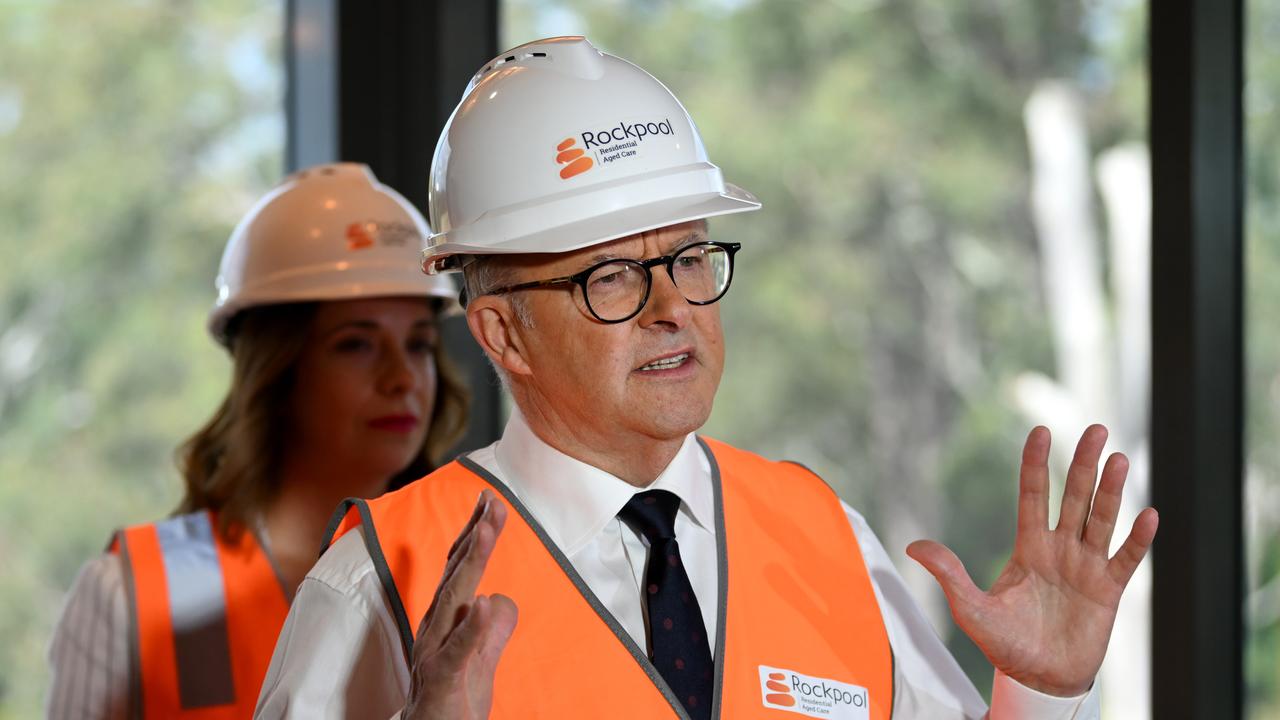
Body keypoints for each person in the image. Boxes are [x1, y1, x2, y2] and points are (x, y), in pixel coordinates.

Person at [254, 38, 1158, 719]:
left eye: (688, 257)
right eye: (609, 276)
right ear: (503, 333)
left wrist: (1039, 692)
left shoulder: (824, 536)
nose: (670, 308)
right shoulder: (378, 582)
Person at [46, 163, 468, 719]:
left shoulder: (462, 577)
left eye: (417, 345)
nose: (402, 378)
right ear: (275, 368)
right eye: (356, 345)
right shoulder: (147, 594)